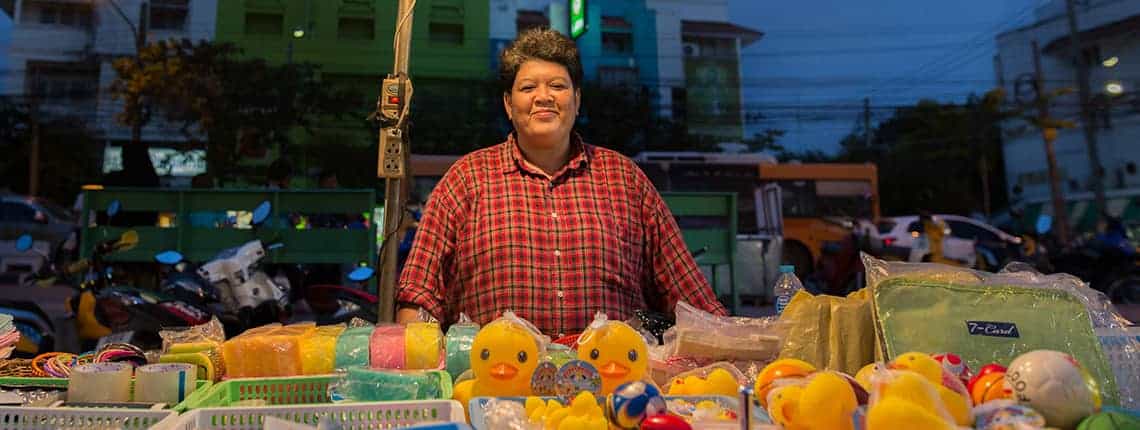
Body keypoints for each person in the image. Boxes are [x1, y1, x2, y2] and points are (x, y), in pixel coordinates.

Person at [395, 28, 727, 336]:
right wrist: (418, 362)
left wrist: (745, 347)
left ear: (577, 100)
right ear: (509, 105)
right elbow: (418, 296)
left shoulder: (626, 180)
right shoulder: (465, 180)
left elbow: (691, 299)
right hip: (491, 390)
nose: (543, 97)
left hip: (614, 387)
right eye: (527, 87)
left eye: (557, 85)